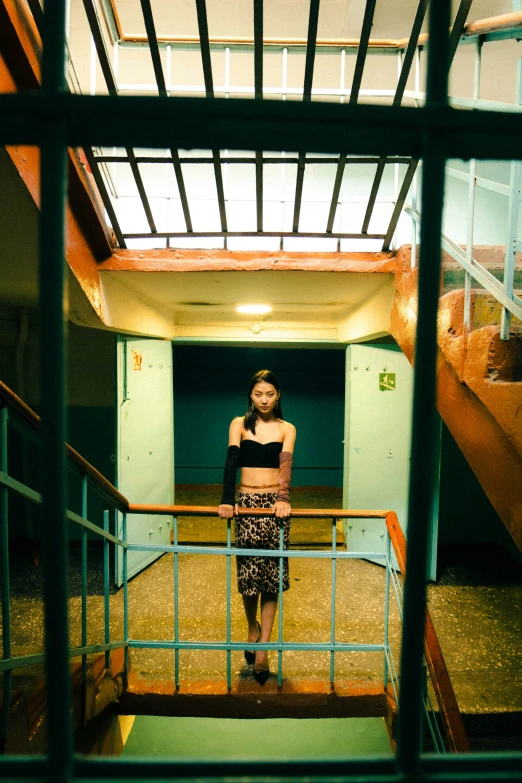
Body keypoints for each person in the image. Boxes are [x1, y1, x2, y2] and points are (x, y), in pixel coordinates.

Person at [218, 369, 296, 685]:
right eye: (258, 394)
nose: (264, 400)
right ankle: (251, 627)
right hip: (247, 505)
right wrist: (226, 499)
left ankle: (263, 644)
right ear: (251, 395)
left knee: (272, 577)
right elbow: (231, 463)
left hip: (274, 509)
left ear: (278, 396)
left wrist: (283, 498)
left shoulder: (287, 428)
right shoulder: (239, 424)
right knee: (249, 575)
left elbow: (286, 466)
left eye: (270, 394)